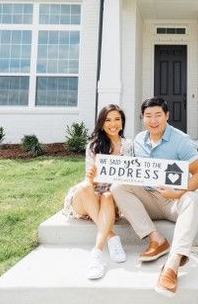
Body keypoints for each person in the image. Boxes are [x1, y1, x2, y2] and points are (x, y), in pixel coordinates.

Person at [111, 97, 198, 297]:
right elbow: (131, 171)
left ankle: (172, 265)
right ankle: (156, 239)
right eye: (148, 116)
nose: (153, 121)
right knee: (118, 186)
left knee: (192, 198)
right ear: (142, 118)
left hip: (172, 200)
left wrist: (178, 192)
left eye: (158, 115)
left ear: (167, 116)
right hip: (148, 197)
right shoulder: (138, 140)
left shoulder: (181, 140)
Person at [62, 104, 134, 279]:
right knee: (85, 186)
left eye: (117, 119)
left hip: (111, 197)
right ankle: (111, 237)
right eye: (108, 120)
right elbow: (89, 183)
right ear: (102, 123)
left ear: (122, 123)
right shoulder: (94, 145)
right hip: (89, 197)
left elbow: (130, 178)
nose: (113, 124)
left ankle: (97, 253)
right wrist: (91, 177)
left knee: (109, 195)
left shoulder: (128, 146)